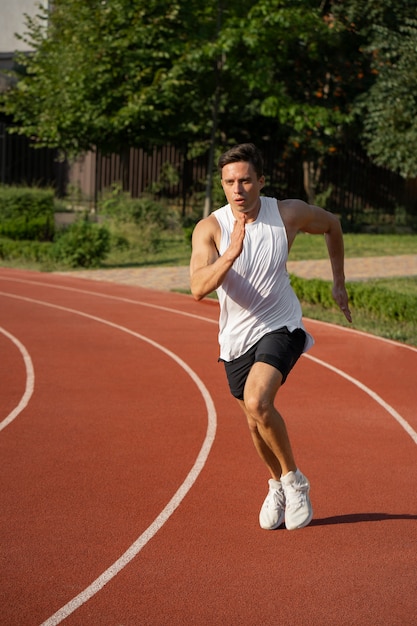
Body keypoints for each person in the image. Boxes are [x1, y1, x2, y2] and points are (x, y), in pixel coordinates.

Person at [190, 143, 352, 531]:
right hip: (235, 337)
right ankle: (276, 483)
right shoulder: (210, 228)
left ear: (261, 180)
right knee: (253, 418)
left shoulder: (287, 213)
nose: (238, 189)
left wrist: (339, 283)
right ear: (222, 184)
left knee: (258, 401)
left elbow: (333, 224)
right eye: (230, 181)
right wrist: (229, 254)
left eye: (245, 180)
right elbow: (197, 287)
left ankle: (295, 481)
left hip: (281, 324)